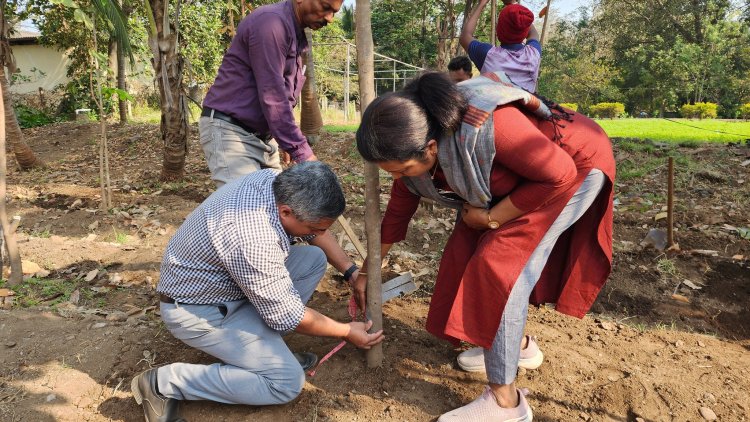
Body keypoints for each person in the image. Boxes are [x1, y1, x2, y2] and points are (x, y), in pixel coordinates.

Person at [355, 72, 615, 421]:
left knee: (501, 268)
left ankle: (505, 402)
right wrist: (369, 269)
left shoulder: (487, 125)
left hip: (571, 165)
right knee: (463, 253)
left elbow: (559, 174)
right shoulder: (414, 147)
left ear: (431, 148)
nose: (398, 179)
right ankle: (514, 347)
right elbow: (398, 212)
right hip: (520, 179)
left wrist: (491, 218)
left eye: (402, 170)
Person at [131, 162, 384, 422]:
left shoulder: (275, 182)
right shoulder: (253, 239)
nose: (319, 234)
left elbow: (314, 231)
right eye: (315, 229)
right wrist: (346, 331)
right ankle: (163, 384)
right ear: (286, 212)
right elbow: (287, 316)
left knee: (312, 259)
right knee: (285, 383)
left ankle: (264, 350)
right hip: (197, 311)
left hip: (226, 288)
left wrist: (352, 273)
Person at [200, 0, 343, 187]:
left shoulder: (296, 32)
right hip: (231, 133)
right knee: (245, 209)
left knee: (274, 208)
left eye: (334, 12)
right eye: (325, 8)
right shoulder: (271, 24)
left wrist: (284, 138)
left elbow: (284, 94)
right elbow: (273, 96)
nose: (330, 19)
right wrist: (301, 152)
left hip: (262, 138)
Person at [460, 0, 541, 92]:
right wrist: (514, 4)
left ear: (498, 29)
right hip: (525, 105)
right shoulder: (533, 54)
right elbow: (533, 33)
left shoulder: (488, 54)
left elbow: (465, 36)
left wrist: (481, 4)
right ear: (525, 32)